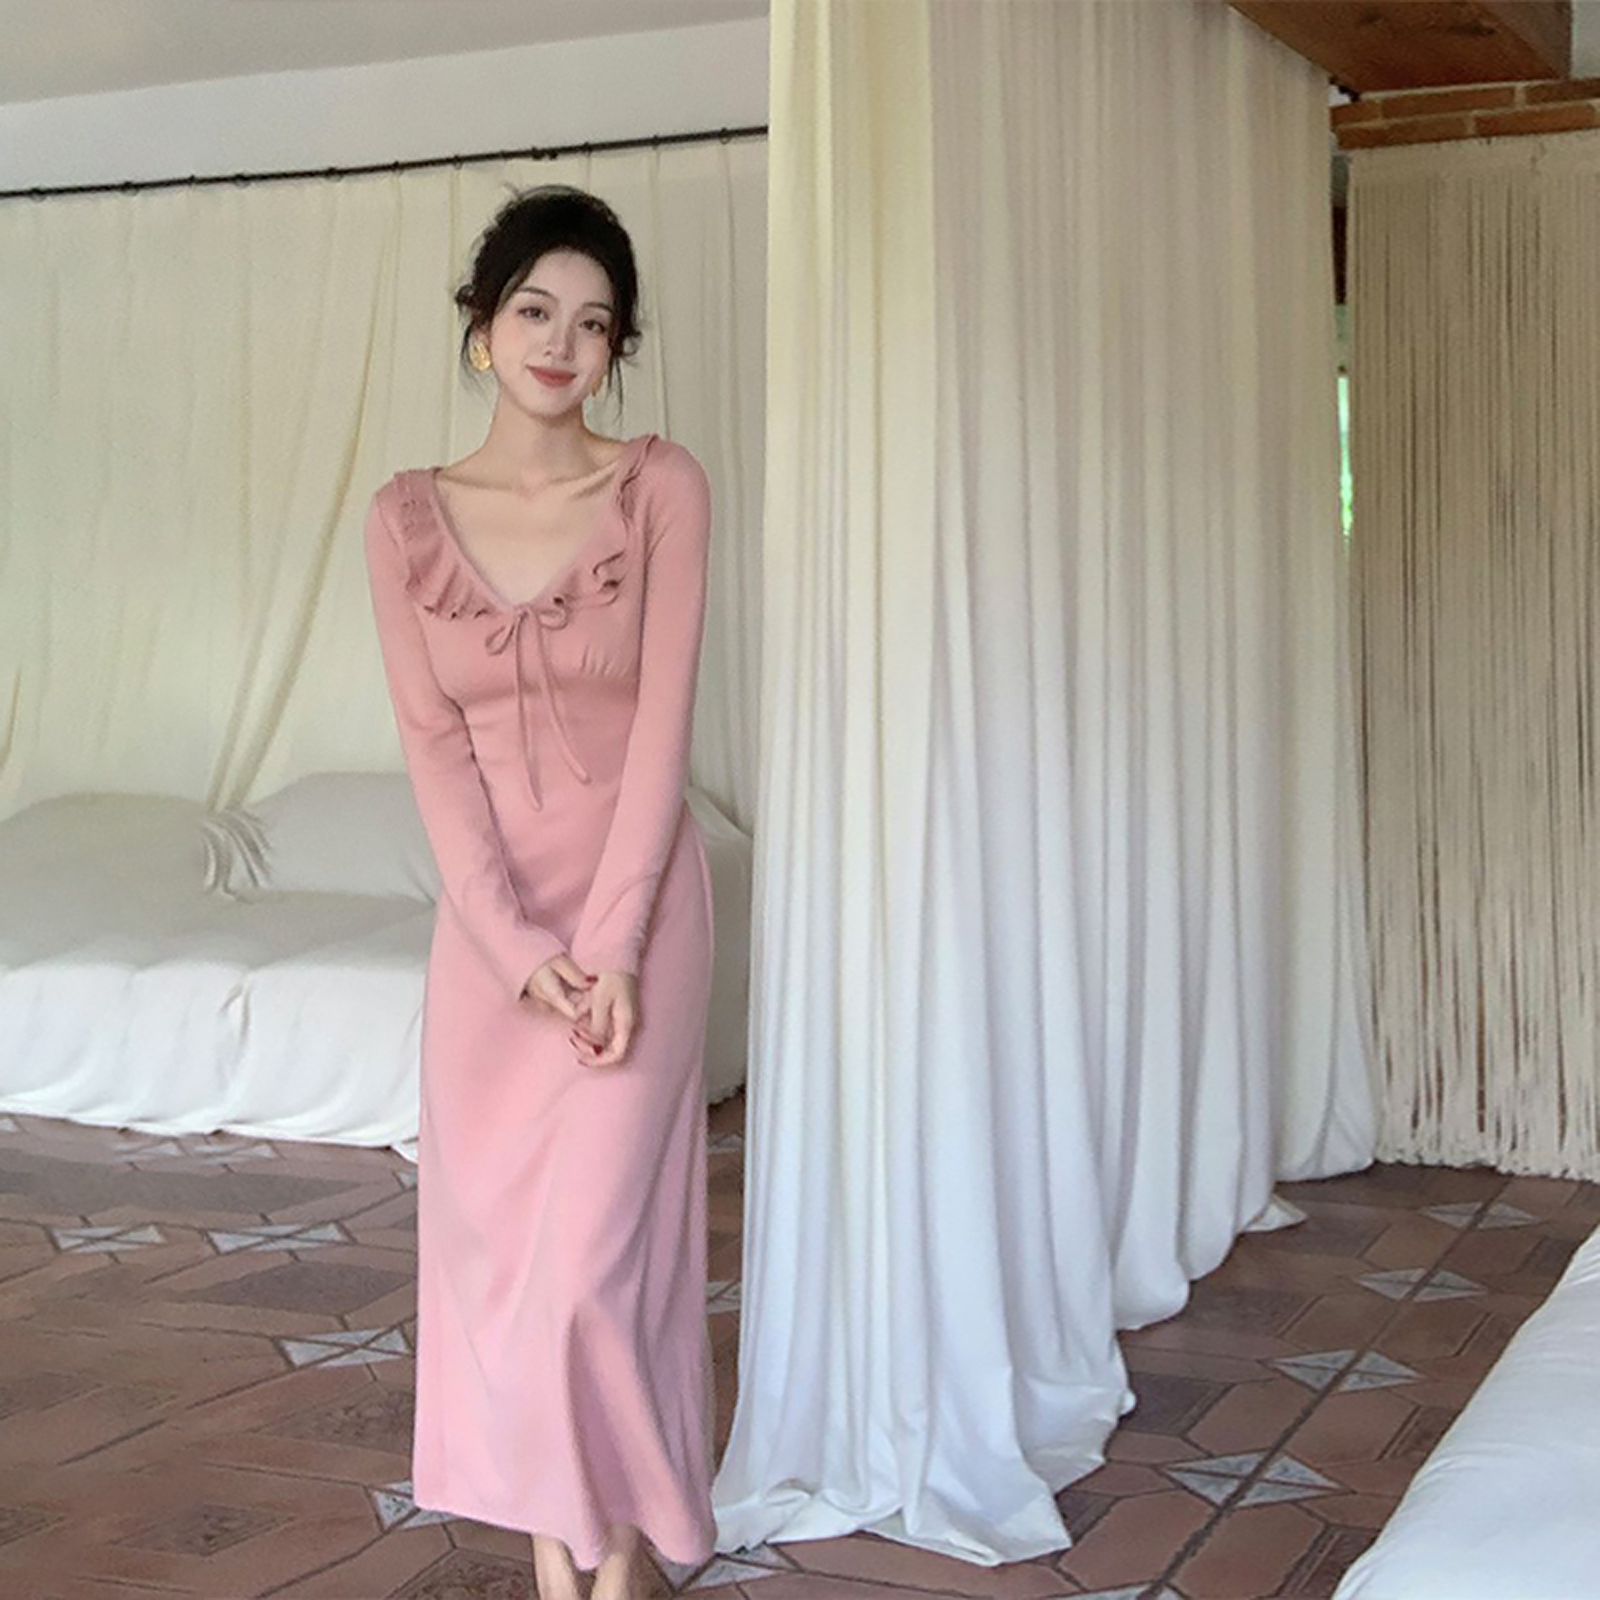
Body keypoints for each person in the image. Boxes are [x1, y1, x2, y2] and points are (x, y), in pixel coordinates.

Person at [361, 183, 718, 1600]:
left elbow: (663, 735)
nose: (562, 344)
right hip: (491, 953)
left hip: (637, 921)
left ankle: (614, 1572)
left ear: (619, 348)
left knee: (592, 1274)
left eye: (594, 323)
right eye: (534, 311)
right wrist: (515, 949)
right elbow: (433, 755)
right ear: (481, 328)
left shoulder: (660, 490)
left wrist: (613, 947)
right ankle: (568, 1576)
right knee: (509, 1275)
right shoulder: (403, 520)